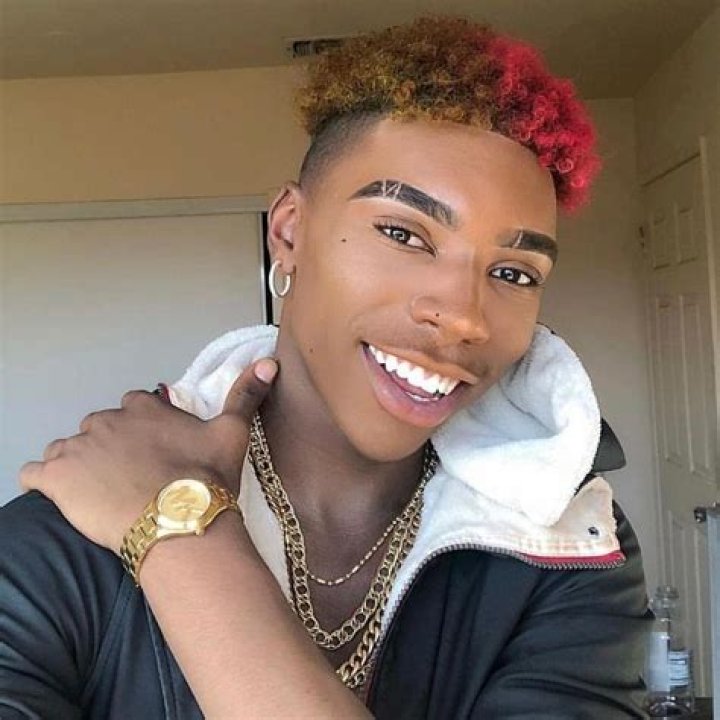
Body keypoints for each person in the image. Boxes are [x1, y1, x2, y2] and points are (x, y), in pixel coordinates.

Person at [0, 16, 651, 719]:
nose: (465, 317)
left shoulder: (571, 546)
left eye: (515, 273)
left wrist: (180, 530)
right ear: (288, 232)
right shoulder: (67, 535)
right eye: (404, 234)